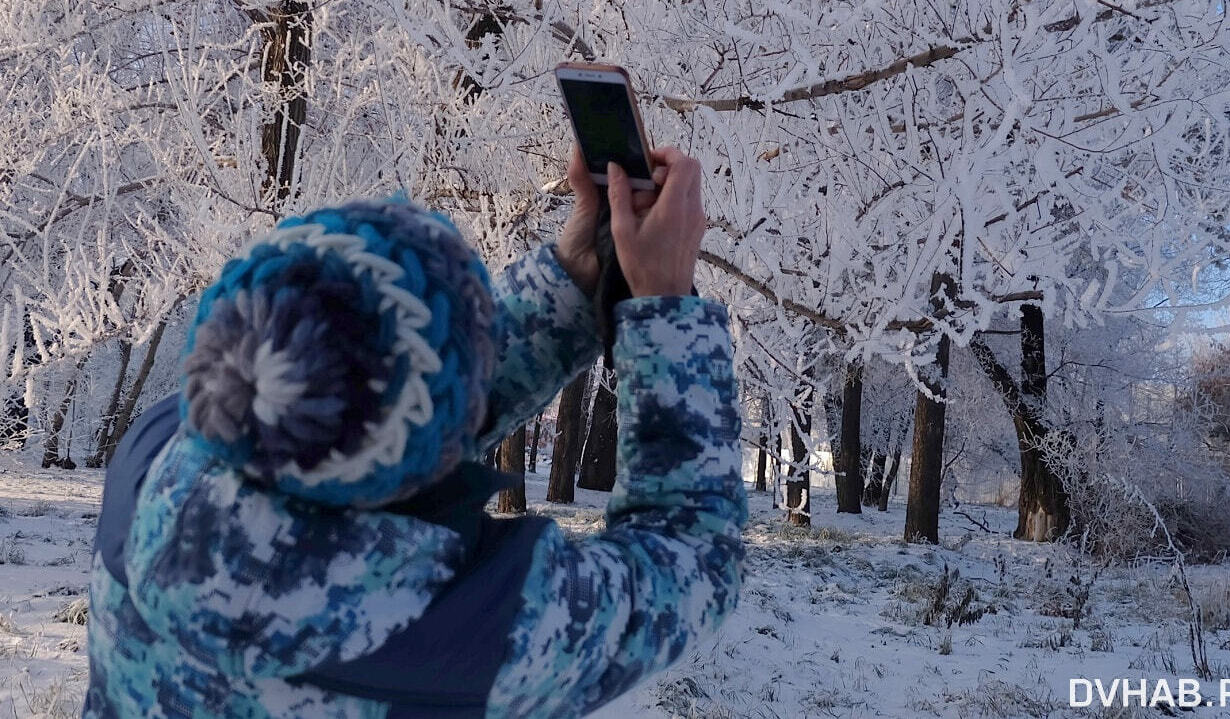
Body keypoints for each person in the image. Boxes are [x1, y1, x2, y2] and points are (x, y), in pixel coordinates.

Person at [82, 147, 746, 719]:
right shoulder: (484, 632)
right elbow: (691, 557)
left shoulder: (155, 458)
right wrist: (665, 314)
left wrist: (573, 280)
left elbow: (379, 404)